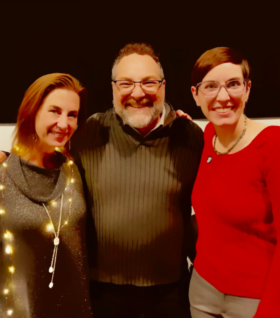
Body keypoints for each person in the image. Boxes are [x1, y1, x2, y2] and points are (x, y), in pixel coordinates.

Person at [75, 43, 204, 318]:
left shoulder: (190, 135)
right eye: (126, 83)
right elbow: (43, 157)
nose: (138, 93)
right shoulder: (88, 133)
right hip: (101, 293)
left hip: (171, 293)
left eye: (149, 82)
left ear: (163, 86)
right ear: (113, 88)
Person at [190, 47, 280, 318]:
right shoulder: (206, 137)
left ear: (248, 89)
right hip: (202, 291)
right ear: (196, 95)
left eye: (233, 85)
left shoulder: (272, 146)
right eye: (211, 87)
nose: (223, 97)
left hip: (254, 300)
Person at [0, 73, 93, 317]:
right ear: (32, 111)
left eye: (72, 114)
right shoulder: (2, 174)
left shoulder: (73, 170)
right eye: (54, 111)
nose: (64, 124)